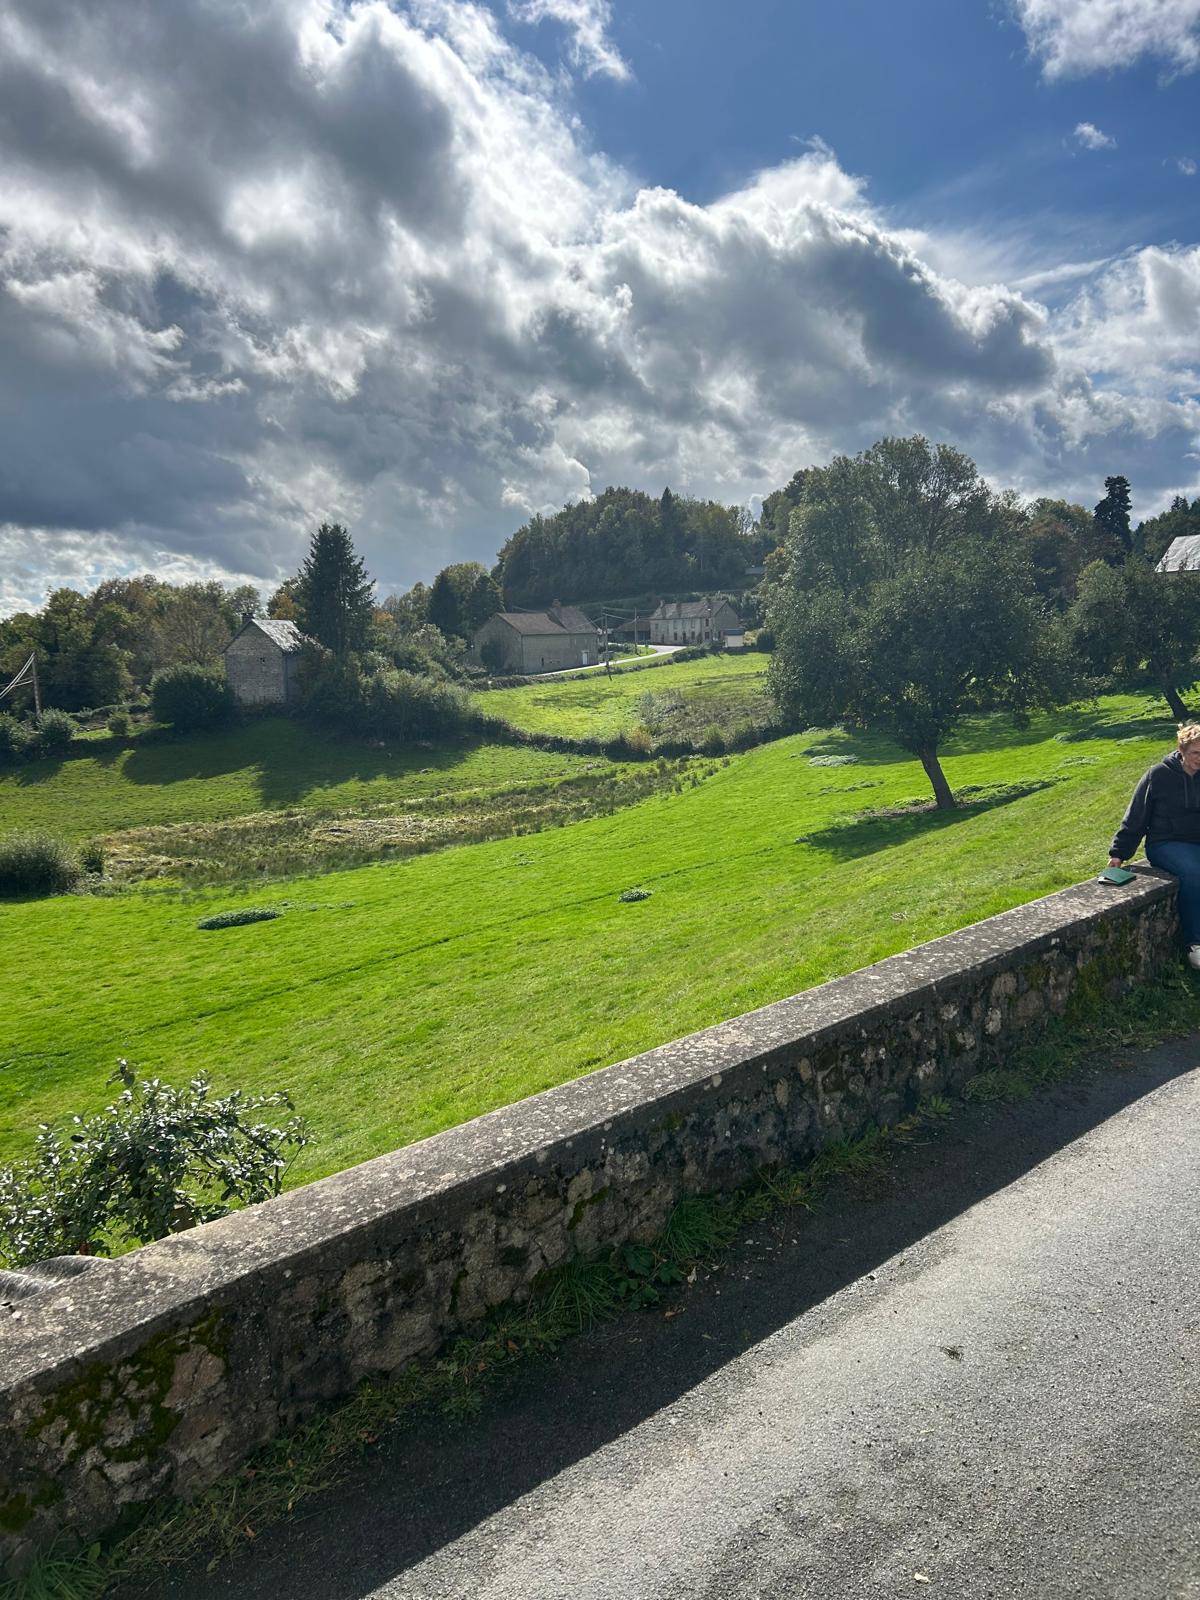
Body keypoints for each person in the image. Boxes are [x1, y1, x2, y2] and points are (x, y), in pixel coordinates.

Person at [1110, 721, 1200, 967]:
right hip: (1166, 843)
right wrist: (1119, 853)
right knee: (1194, 873)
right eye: (1196, 753)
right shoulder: (1158, 774)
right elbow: (1136, 815)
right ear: (1181, 750)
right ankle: (1195, 945)